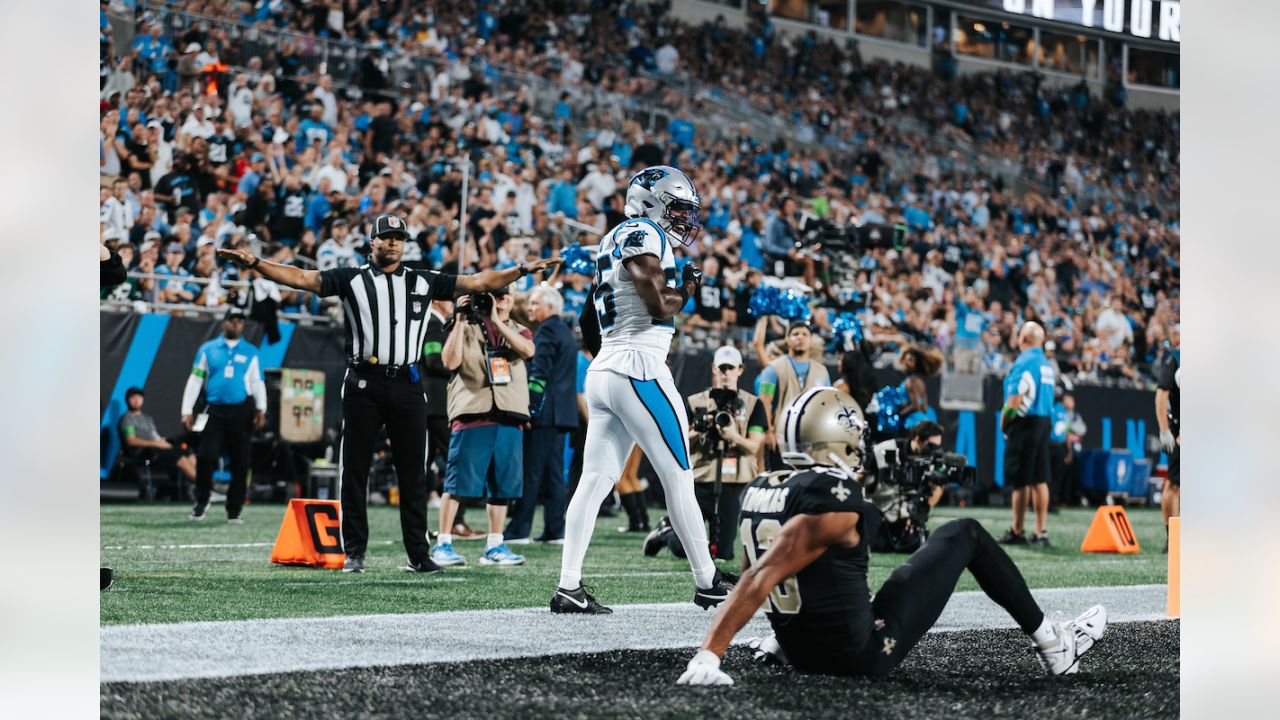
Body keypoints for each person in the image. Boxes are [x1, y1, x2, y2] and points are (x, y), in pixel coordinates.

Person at [675, 387, 1107, 686]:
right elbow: (763, 575)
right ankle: (1054, 643)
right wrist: (710, 652)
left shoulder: (764, 486)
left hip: (798, 647)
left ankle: (780, 641)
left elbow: (765, 566)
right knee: (966, 533)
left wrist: (783, 635)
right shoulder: (833, 498)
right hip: (857, 655)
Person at [217, 213, 560, 573]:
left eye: (399, 237)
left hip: (407, 383)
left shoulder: (422, 280)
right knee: (355, 470)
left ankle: (418, 554)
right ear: (373, 242)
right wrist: (256, 263)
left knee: (414, 472)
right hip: (363, 381)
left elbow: (477, 281)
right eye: (387, 237)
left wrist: (520, 270)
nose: (393, 242)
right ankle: (355, 551)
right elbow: (302, 278)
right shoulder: (351, 278)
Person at [552, 165, 735, 614]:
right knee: (678, 476)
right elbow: (659, 304)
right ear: (651, 202)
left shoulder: (612, 239)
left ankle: (568, 586)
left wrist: (612, 354)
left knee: (594, 481)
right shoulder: (640, 231)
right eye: (677, 208)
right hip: (638, 365)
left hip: (608, 365)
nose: (684, 219)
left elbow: (587, 321)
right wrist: (688, 284)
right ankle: (708, 581)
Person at [431, 285, 534, 567]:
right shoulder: (464, 326)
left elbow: (527, 350)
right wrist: (461, 319)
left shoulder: (519, 330)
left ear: (512, 300)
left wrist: (498, 320)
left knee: (503, 486)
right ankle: (443, 544)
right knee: (458, 483)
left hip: (509, 414)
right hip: (473, 413)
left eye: (504, 296)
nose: (499, 301)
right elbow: (449, 361)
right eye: (494, 296)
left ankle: (495, 545)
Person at [644, 345, 765, 561]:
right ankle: (666, 532)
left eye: (731, 368)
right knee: (686, 550)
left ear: (740, 369)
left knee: (724, 555)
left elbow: (754, 447)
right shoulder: (695, 402)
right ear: (714, 369)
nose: (726, 372)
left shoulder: (753, 404)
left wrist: (733, 437)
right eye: (722, 368)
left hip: (734, 482)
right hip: (701, 478)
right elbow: (677, 441)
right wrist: (698, 429)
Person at [506, 286, 579, 544]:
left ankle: (519, 529)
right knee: (554, 474)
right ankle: (555, 529)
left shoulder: (547, 330)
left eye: (535, 304)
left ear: (549, 307)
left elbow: (539, 373)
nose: (530, 308)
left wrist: (530, 408)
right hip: (561, 414)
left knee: (532, 471)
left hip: (545, 413)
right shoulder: (565, 331)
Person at [180, 307, 267, 523]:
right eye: (232, 320)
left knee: (241, 462)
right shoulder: (208, 349)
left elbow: (257, 382)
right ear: (224, 323)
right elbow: (195, 379)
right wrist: (186, 410)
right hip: (214, 410)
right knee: (206, 457)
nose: (236, 324)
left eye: (240, 321)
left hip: (241, 411)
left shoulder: (251, 351)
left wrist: (261, 408)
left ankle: (234, 509)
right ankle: (202, 501)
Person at [998, 322, 1056, 547]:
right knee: (1040, 479)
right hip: (1043, 422)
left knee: (1020, 481)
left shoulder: (1024, 362)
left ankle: (1017, 530)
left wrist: (1004, 424)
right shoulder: (1046, 363)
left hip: (1024, 425)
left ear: (1023, 338)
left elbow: (1014, 402)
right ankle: (1041, 532)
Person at [759, 321, 830, 471]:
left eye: (805, 334)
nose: (800, 337)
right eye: (795, 334)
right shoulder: (773, 368)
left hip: (811, 438)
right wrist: (768, 431)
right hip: (781, 437)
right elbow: (765, 401)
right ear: (787, 340)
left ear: (811, 340)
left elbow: (826, 404)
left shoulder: (822, 371)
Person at [118, 387, 197, 490]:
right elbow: (131, 441)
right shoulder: (127, 419)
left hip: (158, 447)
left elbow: (154, 436)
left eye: (139, 397)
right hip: (143, 452)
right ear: (127, 400)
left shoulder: (147, 418)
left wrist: (162, 441)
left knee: (187, 450)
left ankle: (195, 482)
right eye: (133, 397)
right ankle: (205, 486)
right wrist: (157, 444)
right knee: (180, 458)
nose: (137, 400)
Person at [1155, 331, 1180, 553]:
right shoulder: (1175, 358)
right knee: (1174, 483)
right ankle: (1172, 537)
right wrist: (1165, 430)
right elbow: (1162, 395)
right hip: (1181, 430)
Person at [1049, 390, 1087, 510]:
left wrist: (1069, 451)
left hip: (1061, 446)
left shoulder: (1067, 413)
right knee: (1047, 476)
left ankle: (1054, 500)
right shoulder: (1052, 409)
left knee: (1058, 476)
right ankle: (1046, 502)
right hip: (1050, 444)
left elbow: (1068, 432)